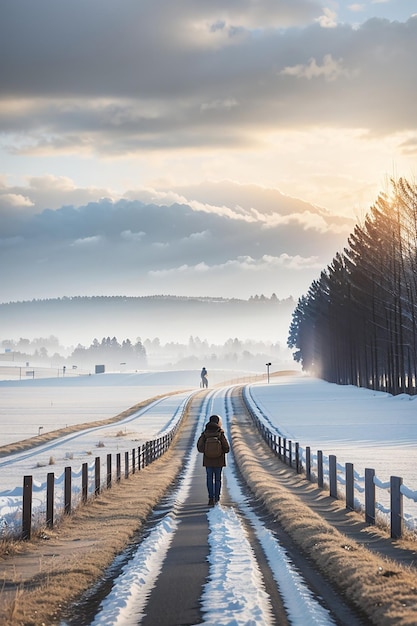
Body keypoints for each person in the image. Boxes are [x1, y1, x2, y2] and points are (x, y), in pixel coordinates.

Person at [197, 414, 230, 506]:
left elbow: (199, 447)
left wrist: (207, 450)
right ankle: (217, 498)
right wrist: (220, 451)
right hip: (219, 461)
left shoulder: (205, 433)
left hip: (208, 461)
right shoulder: (220, 433)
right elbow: (227, 448)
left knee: (209, 479)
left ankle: (210, 498)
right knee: (218, 479)